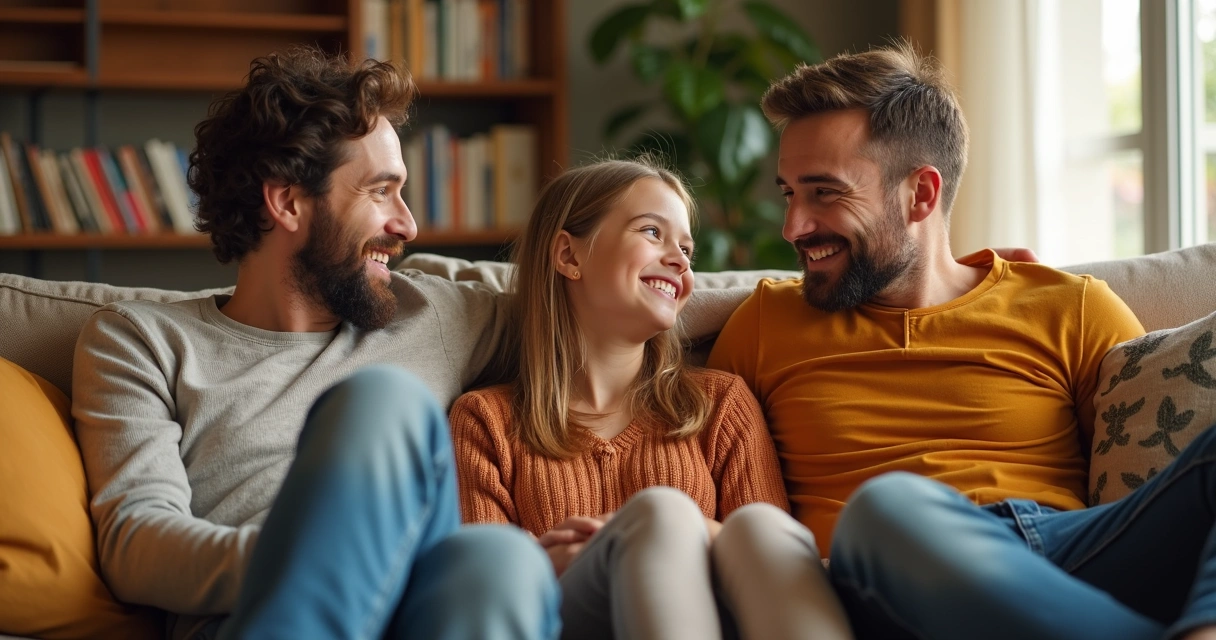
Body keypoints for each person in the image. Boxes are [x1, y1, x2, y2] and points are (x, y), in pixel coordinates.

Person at [709, 43, 1216, 640]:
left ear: (921, 194)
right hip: (889, 567)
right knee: (887, 508)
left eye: (825, 192)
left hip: (1069, 555)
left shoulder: (1069, 306)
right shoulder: (763, 323)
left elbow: (1144, 479)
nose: (793, 226)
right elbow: (703, 488)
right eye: (789, 193)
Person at [71, 47, 559, 640]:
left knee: (502, 560)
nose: (407, 224)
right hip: (246, 618)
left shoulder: (436, 313)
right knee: (382, 402)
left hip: (417, 615)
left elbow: (598, 305)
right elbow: (137, 543)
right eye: (380, 191)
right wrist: (326, 552)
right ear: (287, 202)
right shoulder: (142, 340)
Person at [449, 157, 854, 640]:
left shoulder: (719, 404)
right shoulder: (485, 420)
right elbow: (485, 591)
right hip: (562, 618)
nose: (680, 260)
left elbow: (766, 563)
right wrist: (605, 544)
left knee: (758, 528)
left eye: (686, 248)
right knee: (662, 512)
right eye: (651, 232)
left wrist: (657, 531)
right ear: (569, 255)